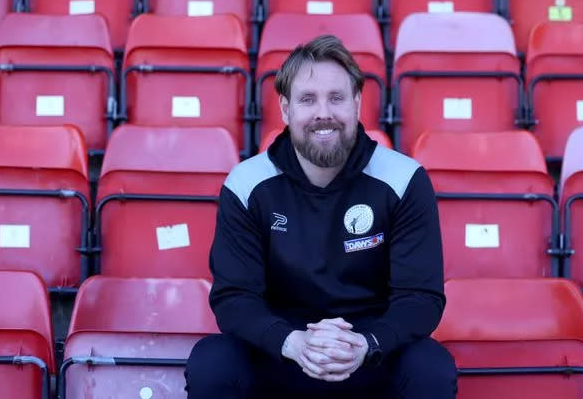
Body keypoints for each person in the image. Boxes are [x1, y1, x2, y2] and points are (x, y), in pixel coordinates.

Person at [185, 35, 456, 398]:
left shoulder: (403, 179)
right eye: (308, 99)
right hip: (283, 353)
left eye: (337, 98)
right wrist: (292, 342)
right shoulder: (247, 184)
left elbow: (421, 297)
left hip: (370, 355)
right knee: (212, 362)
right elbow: (234, 297)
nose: (323, 113)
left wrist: (367, 343)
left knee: (430, 367)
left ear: (357, 103)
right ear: (285, 109)